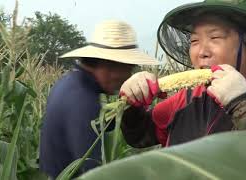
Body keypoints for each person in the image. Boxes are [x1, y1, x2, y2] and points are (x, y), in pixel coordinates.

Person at [119, 0, 246, 148]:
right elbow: (140, 135)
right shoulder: (188, 99)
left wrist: (242, 105)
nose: (202, 52)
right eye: (194, 41)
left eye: (215, 38)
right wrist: (132, 105)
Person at [39, 20, 159, 179]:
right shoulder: (83, 100)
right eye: (127, 69)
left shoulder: (70, 83)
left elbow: (100, 125)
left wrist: (131, 106)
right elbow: (93, 170)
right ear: (110, 66)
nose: (127, 77)